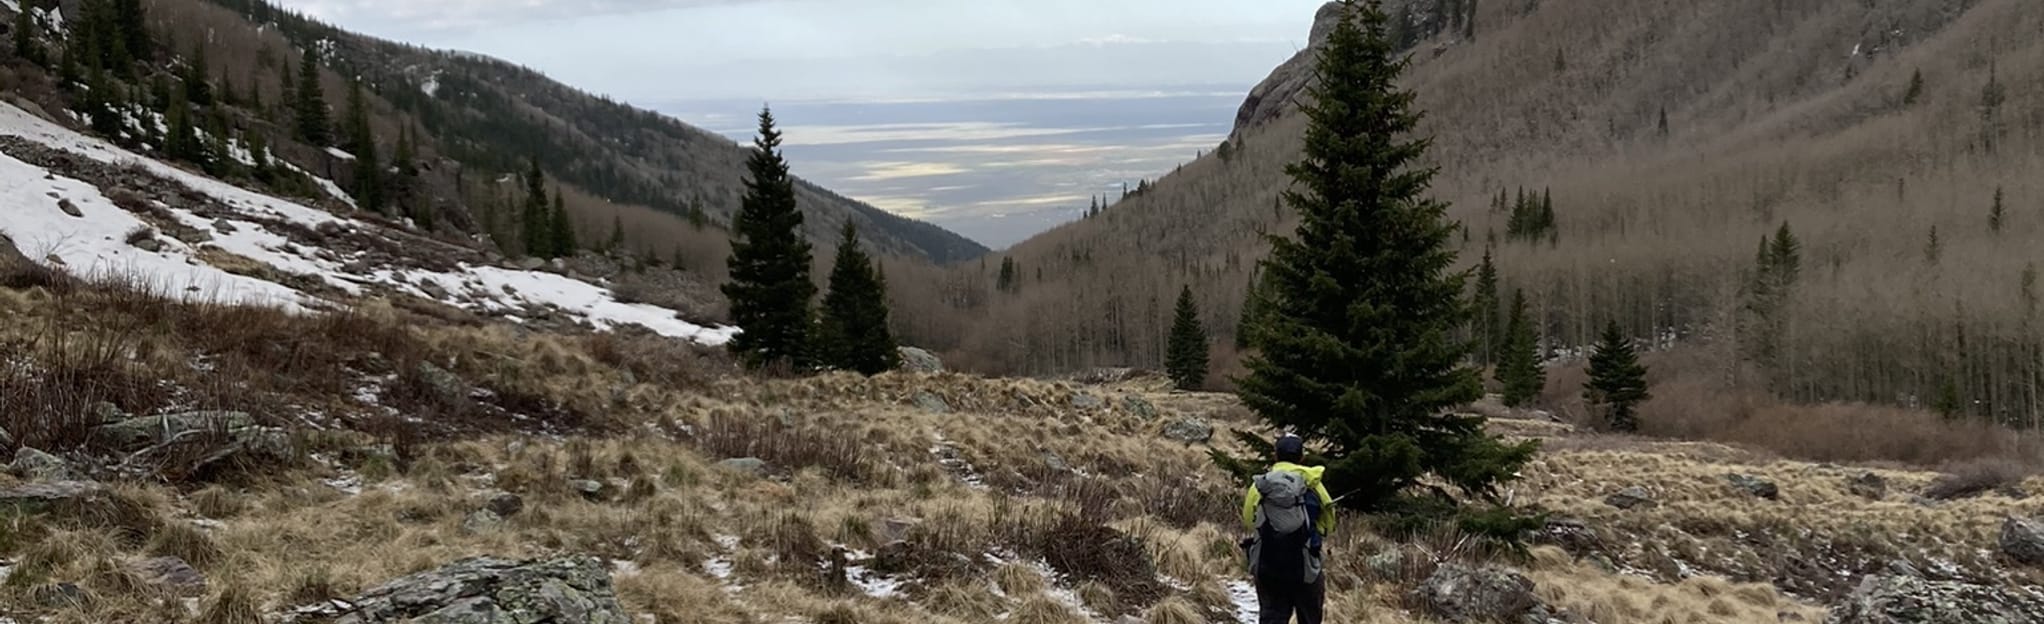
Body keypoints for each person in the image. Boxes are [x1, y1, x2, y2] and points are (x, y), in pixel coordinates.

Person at [1240, 434, 1336, 624]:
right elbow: (1329, 524)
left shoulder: (1262, 484)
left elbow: (1249, 520)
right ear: (1302, 458)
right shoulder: (1313, 482)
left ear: (1275, 456)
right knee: (1309, 617)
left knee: (1272, 616)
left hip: (1268, 564)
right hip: (1305, 565)